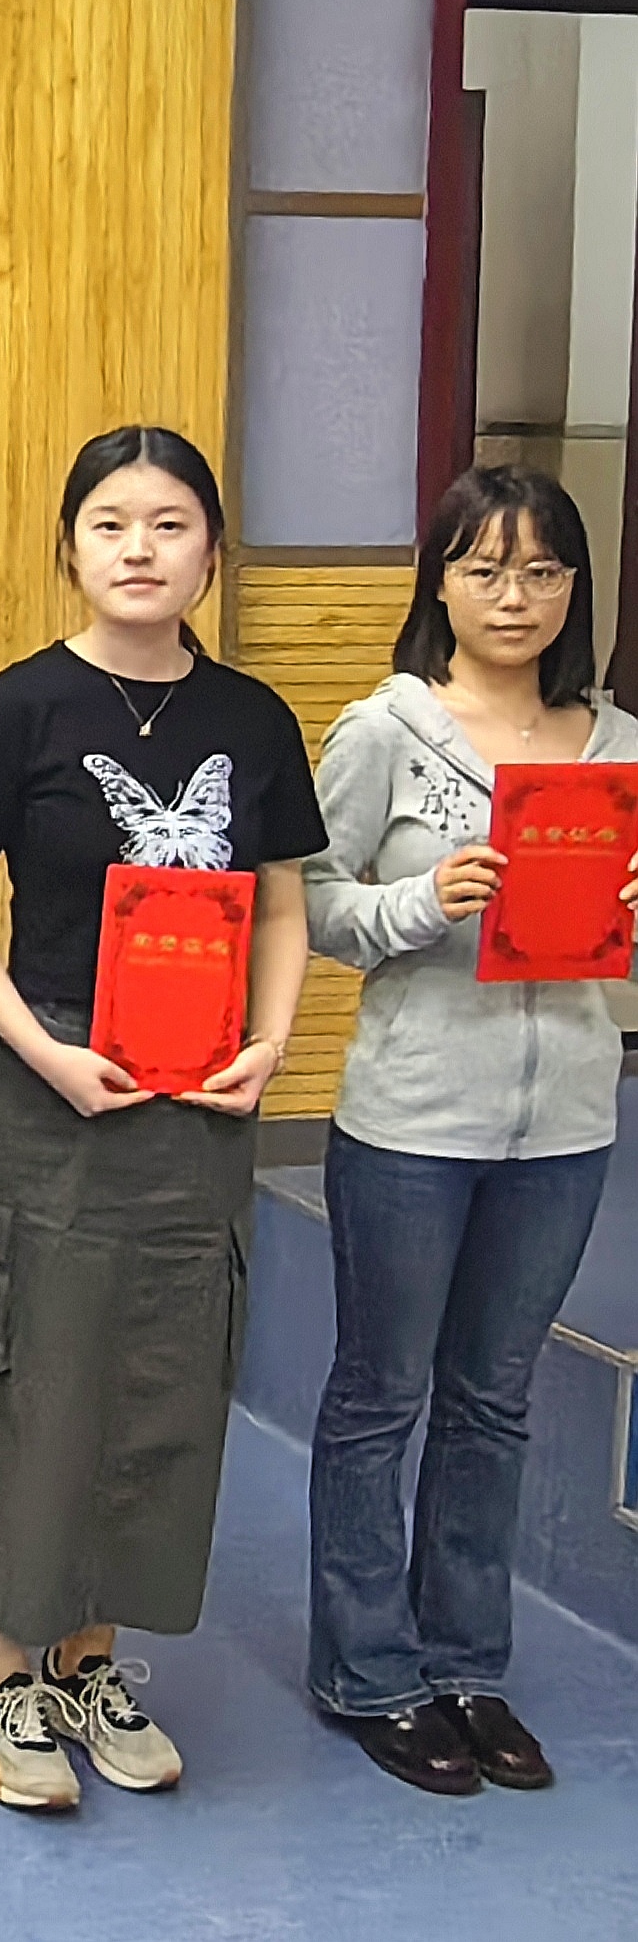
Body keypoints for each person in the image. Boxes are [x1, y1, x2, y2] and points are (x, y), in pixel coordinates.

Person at [0, 425, 320, 1812]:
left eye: (168, 524)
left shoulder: (252, 720)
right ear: (69, 547)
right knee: (29, 1380)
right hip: (53, 1096)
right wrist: (37, 1047)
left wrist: (270, 1043)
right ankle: (1, 1684)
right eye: (109, 523)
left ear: (211, 550)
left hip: (194, 1106)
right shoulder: (19, 706)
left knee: (157, 1384)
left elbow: (282, 902)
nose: (139, 549)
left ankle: (91, 1666)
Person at [301, 464, 630, 1795]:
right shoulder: (386, 730)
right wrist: (422, 901)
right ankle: (367, 1671)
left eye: (542, 571)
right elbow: (312, 907)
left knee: (494, 1402)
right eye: (486, 569)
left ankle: (466, 1668)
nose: (514, 596)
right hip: (411, 1121)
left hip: (565, 1124)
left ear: (574, 589)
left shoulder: (616, 744)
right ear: (438, 582)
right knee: (381, 1396)